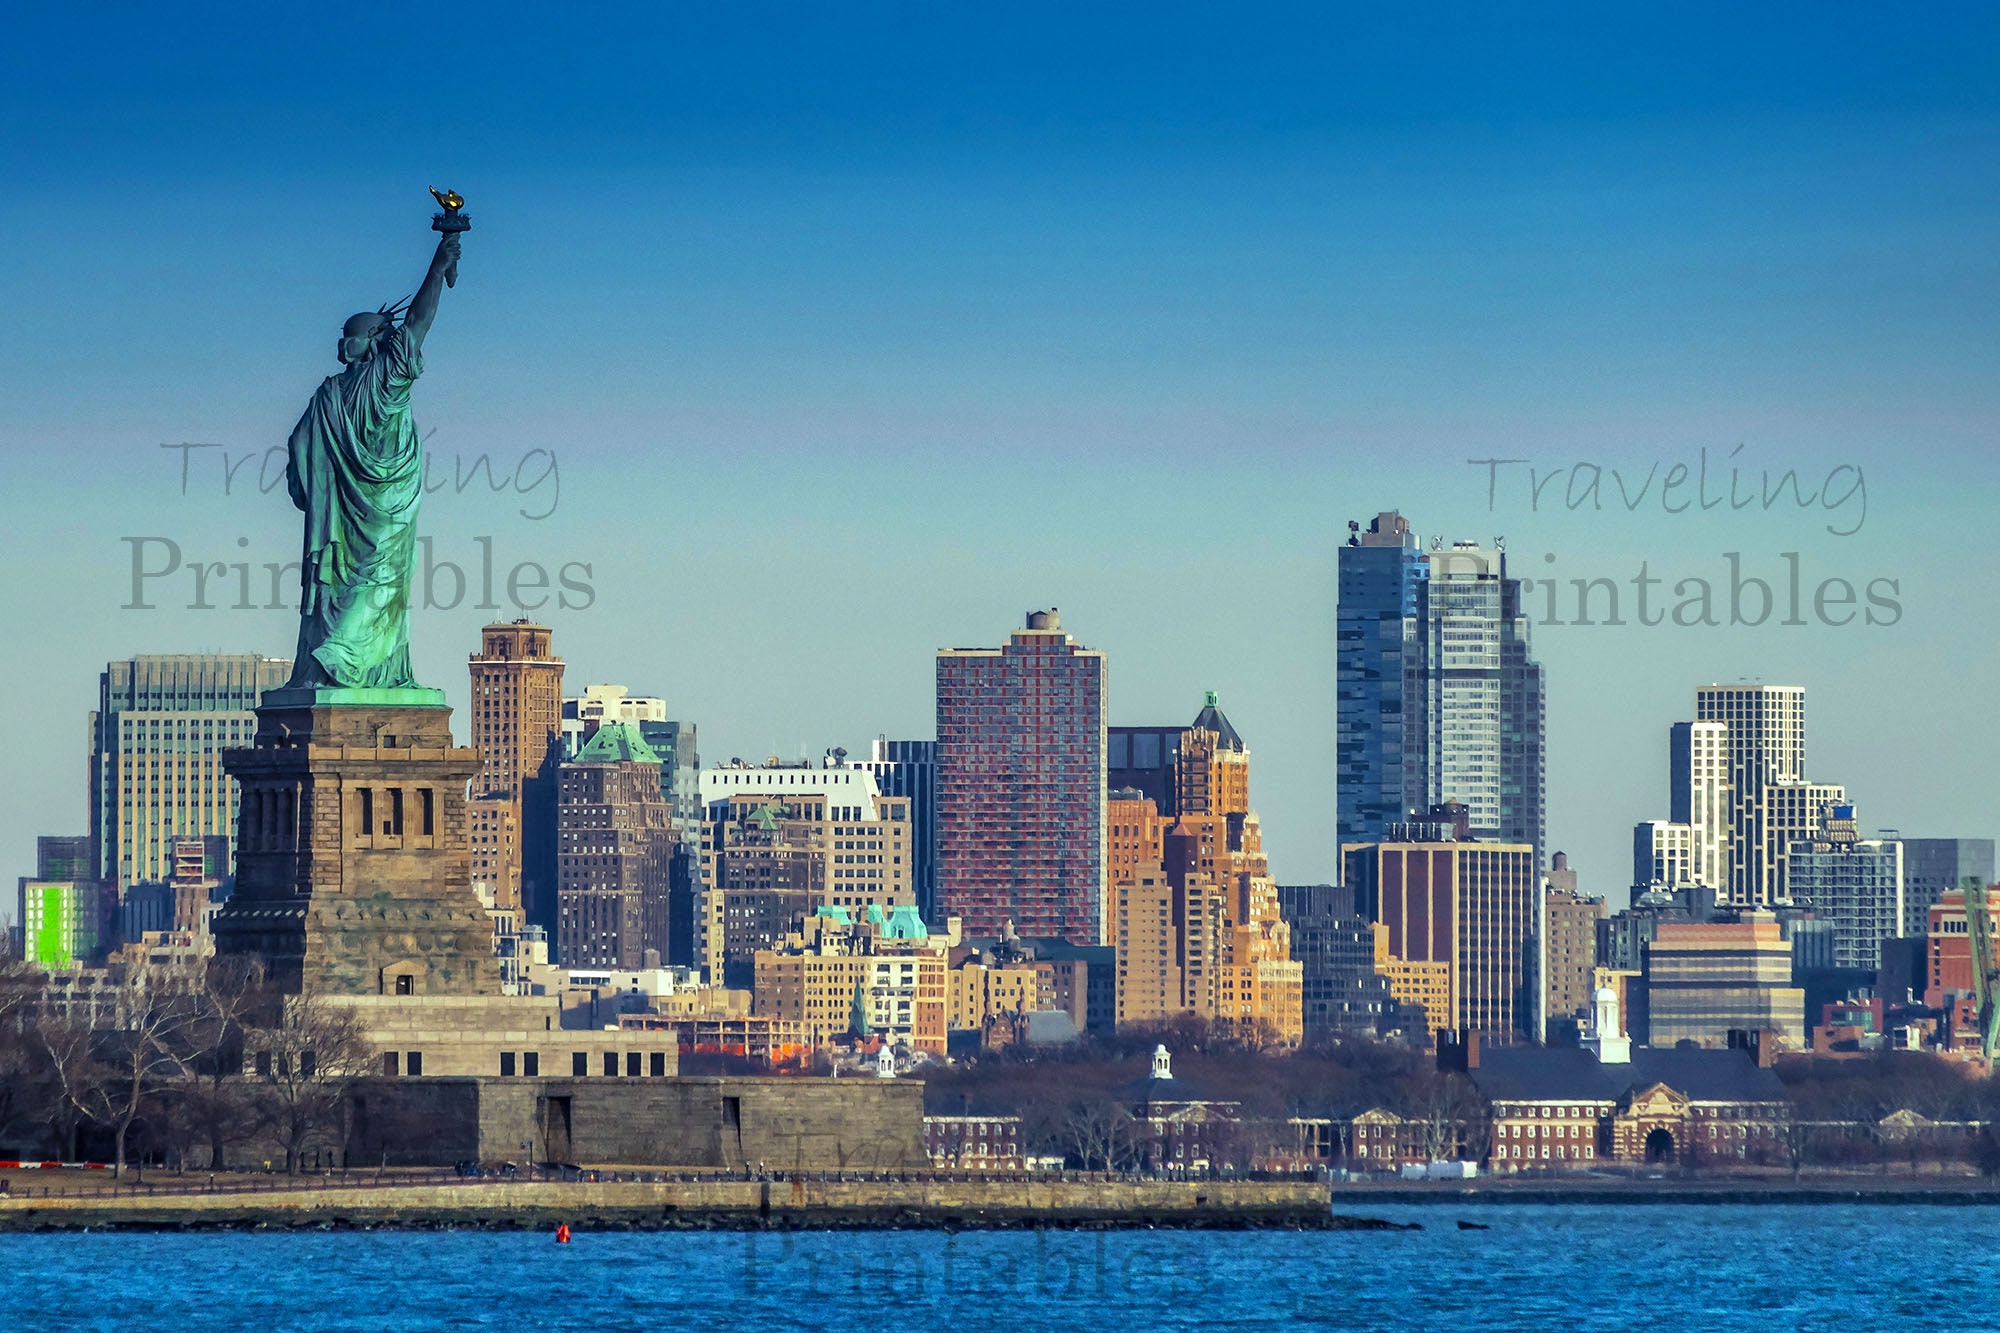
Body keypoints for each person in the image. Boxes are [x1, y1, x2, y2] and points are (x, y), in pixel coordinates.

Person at [283, 228, 462, 690]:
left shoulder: (380, 377)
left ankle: (343, 662)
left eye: (352, 336)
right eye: (343, 336)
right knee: (373, 586)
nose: (343, 343)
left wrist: (437, 271)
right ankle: (340, 660)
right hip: (374, 508)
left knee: (370, 588)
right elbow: (299, 443)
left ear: (374, 340)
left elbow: (419, 321)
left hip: (363, 511)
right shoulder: (337, 391)